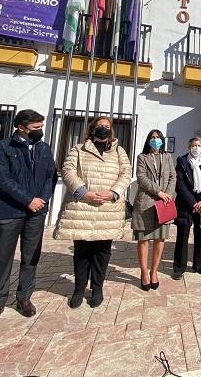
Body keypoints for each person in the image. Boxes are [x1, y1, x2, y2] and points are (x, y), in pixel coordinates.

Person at [0, 109, 57, 328]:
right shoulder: (2, 147)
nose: (40, 131)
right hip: (9, 211)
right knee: (3, 257)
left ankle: (24, 297)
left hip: (36, 212)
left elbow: (50, 176)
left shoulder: (44, 148)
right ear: (21, 127)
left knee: (30, 257)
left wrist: (42, 200)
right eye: (36, 128)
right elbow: (2, 180)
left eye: (41, 127)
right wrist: (28, 200)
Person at [54, 117, 131, 308]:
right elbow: (68, 171)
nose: (104, 129)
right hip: (83, 208)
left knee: (102, 253)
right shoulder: (78, 149)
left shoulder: (119, 151)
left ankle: (97, 289)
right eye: (100, 126)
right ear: (92, 129)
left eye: (107, 127)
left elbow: (126, 173)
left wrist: (113, 192)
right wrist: (84, 193)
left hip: (107, 210)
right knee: (82, 252)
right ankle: (79, 289)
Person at [133, 129, 176, 290]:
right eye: (153, 137)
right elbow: (141, 178)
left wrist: (168, 194)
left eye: (158, 137)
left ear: (163, 141)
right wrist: (159, 192)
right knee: (143, 240)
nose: (156, 140)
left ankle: (154, 272)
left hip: (164, 203)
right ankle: (144, 272)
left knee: (160, 239)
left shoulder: (167, 157)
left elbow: (173, 176)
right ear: (148, 140)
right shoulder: (142, 157)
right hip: (146, 202)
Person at [172, 138, 201, 280]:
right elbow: (180, 185)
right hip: (186, 204)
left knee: (200, 235)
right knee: (182, 236)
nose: (196, 148)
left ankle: (200, 265)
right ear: (189, 147)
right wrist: (193, 202)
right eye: (193, 145)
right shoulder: (182, 162)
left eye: (198, 145)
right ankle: (179, 268)